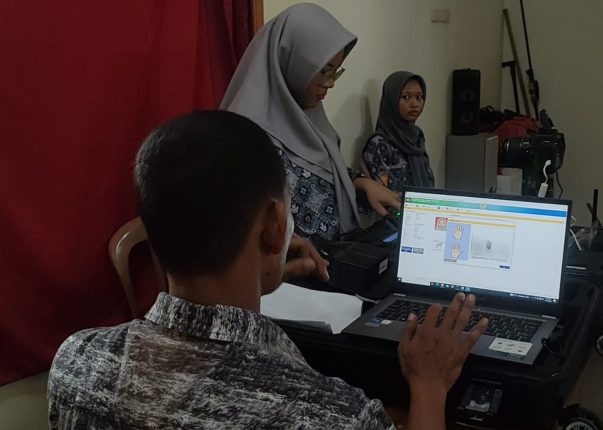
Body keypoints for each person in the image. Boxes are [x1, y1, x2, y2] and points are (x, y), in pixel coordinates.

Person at [47, 110, 488, 429]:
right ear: (276, 225)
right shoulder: (329, 415)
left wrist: (262, 270)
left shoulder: (75, 362)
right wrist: (429, 386)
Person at [221, 3, 400, 240]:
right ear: (291, 61)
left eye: (335, 71)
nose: (330, 83)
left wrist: (360, 183)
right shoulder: (244, 141)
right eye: (324, 71)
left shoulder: (309, 117)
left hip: (334, 257)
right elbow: (239, 238)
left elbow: (320, 172)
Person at [361, 71, 434, 192]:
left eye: (419, 97)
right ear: (392, 100)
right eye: (406, 97)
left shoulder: (417, 137)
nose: (414, 104)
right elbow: (382, 192)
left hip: (424, 202)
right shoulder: (380, 143)